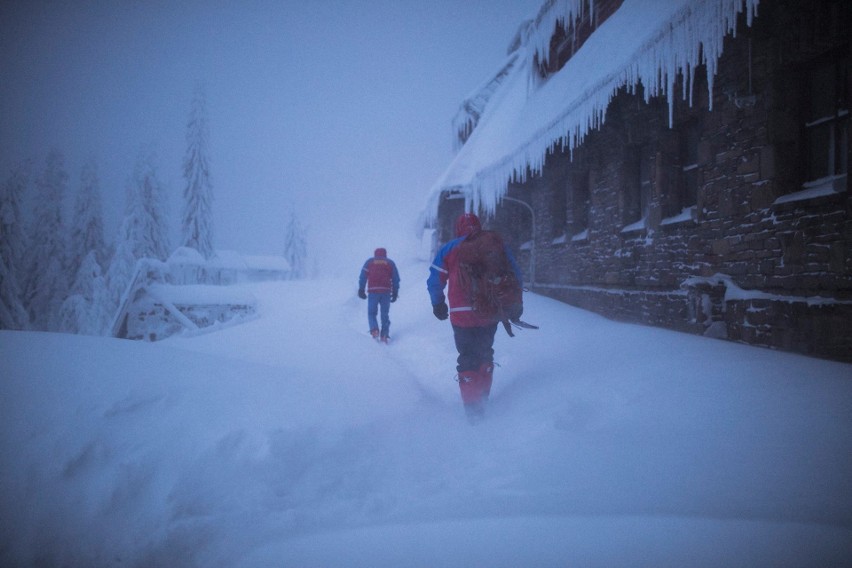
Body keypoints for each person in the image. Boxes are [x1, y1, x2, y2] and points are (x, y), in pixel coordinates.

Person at [427, 212, 524, 420]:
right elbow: (515, 273)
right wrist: (516, 303)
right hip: (490, 311)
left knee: (467, 357)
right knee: (485, 352)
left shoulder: (448, 249)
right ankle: (483, 398)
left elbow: (435, 279)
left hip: (461, 315)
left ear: (458, 228)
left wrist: (438, 303)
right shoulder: (495, 244)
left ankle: (472, 410)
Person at [358, 247, 400, 343]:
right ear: (385, 254)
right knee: (384, 314)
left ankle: (374, 330)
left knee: (371, 313)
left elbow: (363, 276)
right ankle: (384, 335)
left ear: (375, 254)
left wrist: (361, 289)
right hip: (385, 292)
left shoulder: (369, 262)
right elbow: (395, 278)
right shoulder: (390, 263)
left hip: (373, 292)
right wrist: (395, 292)